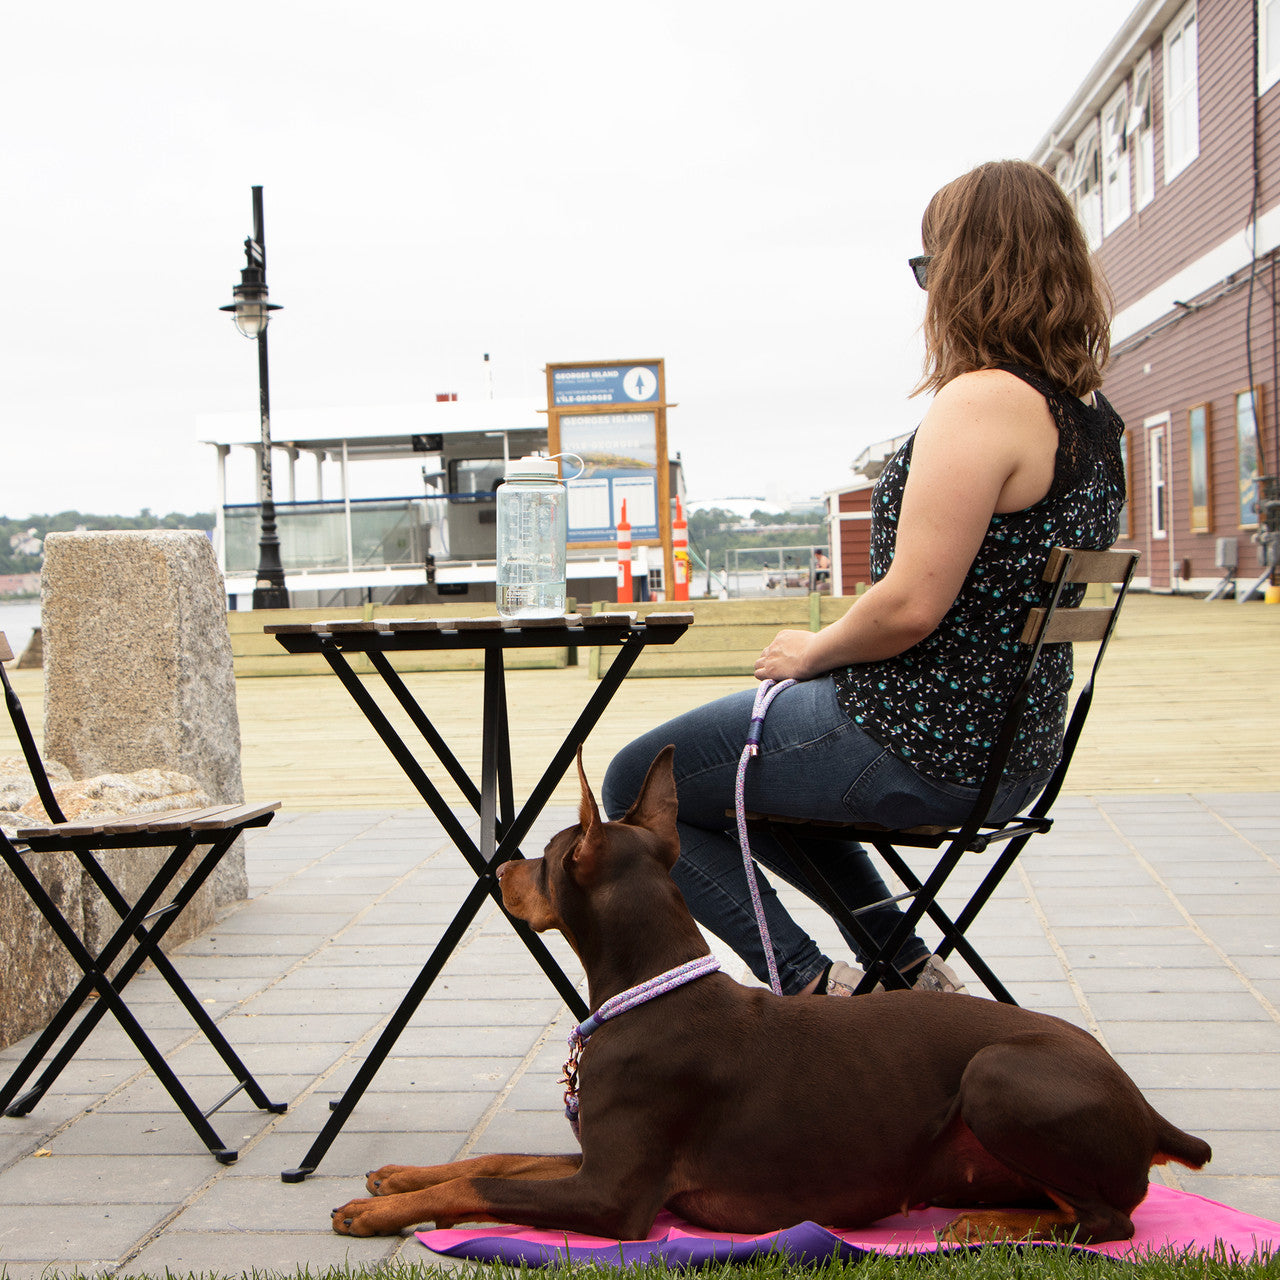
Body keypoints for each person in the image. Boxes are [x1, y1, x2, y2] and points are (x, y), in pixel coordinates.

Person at [602, 159, 1126, 997]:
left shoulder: (982, 401)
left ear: (967, 270)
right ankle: (901, 965)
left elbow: (913, 604)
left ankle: (807, 987)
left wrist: (815, 650)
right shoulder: (1095, 419)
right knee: (734, 774)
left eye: (930, 268)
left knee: (639, 780)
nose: (926, 292)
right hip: (1012, 751)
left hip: (918, 742)